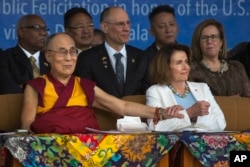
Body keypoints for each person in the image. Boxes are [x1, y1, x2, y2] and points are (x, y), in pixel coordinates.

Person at [20, 33, 183, 134]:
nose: (69, 58)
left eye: (72, 51)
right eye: (62, 52)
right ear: (48, 56)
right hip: (50, 150)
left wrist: (161, 113)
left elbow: (122, 107)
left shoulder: (83, 85)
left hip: (86, 149)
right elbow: (28, 127)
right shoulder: (36, 86)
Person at [146, 43, 226, 132]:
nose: (186, 67)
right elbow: (154, 127)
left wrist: (195, 118)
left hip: (206, 142)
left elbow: (221, 123)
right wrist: (189, 112)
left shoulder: (203, 88)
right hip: (177, 143)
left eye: (186, 62)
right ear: (166, 67)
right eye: (179, 63)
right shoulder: (155, 91)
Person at [74, 6, 150, 98]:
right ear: (105, 27)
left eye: (128, 23)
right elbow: (86, 96)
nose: (126, 29)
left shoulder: (142, 57)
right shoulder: (87, 59)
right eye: (120, 24)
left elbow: (148, 94)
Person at [189, 19, 250, 97]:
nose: (209, 41)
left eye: (213, 37)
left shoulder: (237, 67)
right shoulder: (192, 70)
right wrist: (227, 102)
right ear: (198, 43)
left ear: (221, 42)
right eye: (204, 38)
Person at [0, 14, 50, 94]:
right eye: (37, 28)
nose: (43, 33)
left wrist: (24, 85)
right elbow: (8, 90)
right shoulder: (5, 58)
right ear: (21, 33)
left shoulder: (51, 59)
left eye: (44, 29)